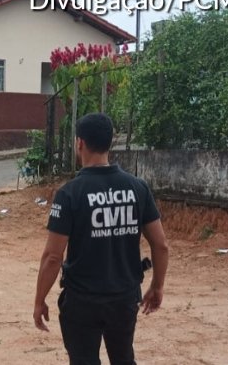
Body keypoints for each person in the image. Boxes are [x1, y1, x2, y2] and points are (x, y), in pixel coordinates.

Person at [33, 112, 169, 365]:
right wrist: (157, 286)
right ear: (110, 142)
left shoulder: (69, 194)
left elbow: (53, 256)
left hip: (82, 301)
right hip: (124, 297)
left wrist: (39, 300)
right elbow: (160, 245)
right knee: (123, 358)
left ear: (80, 143)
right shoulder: (137, 188)